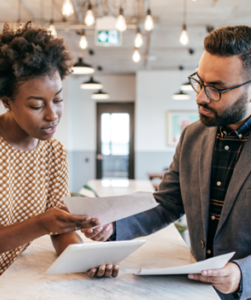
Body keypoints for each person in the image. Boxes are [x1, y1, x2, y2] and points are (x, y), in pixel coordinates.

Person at [0, 21, 118, 300]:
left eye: (59, 99)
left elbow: (59, 229)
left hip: (17, 281)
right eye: (36, 105)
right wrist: (42, 223)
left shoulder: (54, 152)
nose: (52, 115)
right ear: (6, 100)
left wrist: (88, 259)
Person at [83, 25, 251, 300]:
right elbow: (167, 203)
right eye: (200, 82)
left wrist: (244, 275)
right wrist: (115, 228)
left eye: (217, 89)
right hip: (199, 290)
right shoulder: (192, 136)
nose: (200, 97)